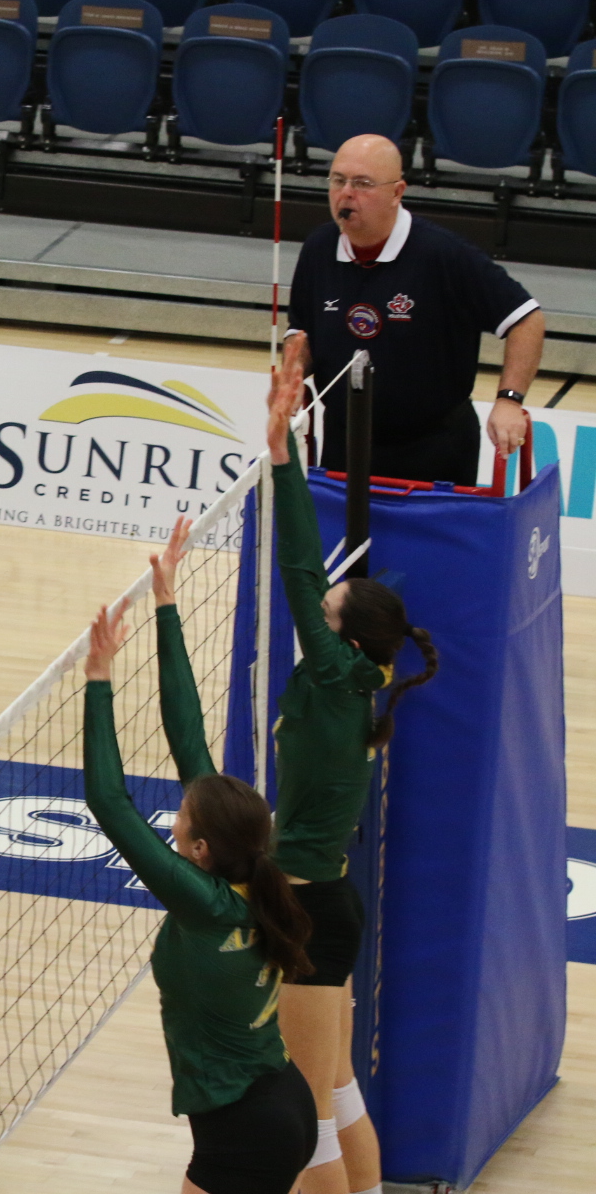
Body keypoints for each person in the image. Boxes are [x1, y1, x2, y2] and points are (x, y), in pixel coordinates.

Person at [81, 528, 316, 1194]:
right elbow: (188, 736)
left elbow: (109, 799)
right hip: (278, 1101)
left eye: (182, 820)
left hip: (246, 1129)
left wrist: (99, 681)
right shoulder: (244, 877)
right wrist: (165, 601)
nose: (176, 813)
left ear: (201, 848)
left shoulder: (204, 903)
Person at [265, 355, 438, 1194]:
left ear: (348, 633)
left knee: (308, 1110)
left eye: (336, 603)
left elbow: (301, 567)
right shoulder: (359, 682)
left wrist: (282, 457)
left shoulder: (337, 677)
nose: (325, 598)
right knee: (333, 1086)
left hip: (303, 906)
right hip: (326, 901)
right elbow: (320, 586)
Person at [283, 134, 545, 486]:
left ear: (397, 192)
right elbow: (301, 332)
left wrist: (509, 401)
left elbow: (526, 318)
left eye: (362, 184)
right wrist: (293, 372)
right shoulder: (318, 248)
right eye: (338, 180)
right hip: (344, 444)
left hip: (434, 452)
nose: (346, 193)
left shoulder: (442, 253)